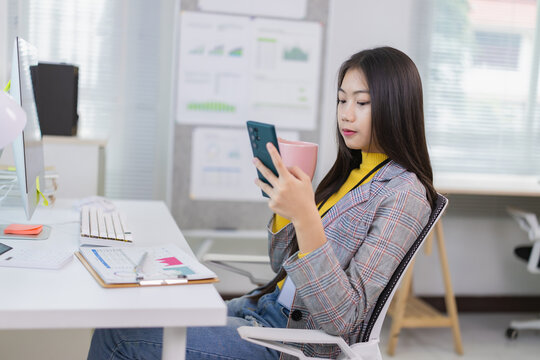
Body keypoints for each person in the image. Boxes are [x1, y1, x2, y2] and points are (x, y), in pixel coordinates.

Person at [87, 46, 435, 360]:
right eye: (342, 100)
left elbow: (342, 318)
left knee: (120, 334)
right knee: (128, 315)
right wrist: (286, 213)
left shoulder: (403, 194)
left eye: (361, 102)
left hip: (294, 341)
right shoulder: (353, 171)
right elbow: (279, 264)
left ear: (395, 105)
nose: (346, 114)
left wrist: (306, 217)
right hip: (262, 309)